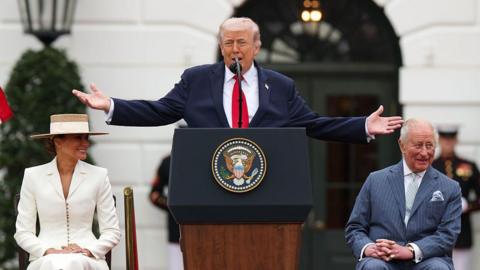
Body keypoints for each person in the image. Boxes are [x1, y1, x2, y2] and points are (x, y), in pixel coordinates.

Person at [72, 17, 403, 143]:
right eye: (228, 43)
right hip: (209, 188)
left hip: (267, 188)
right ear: (220, 47)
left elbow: (314, 124)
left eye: (241, 43)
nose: (234, 49)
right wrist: (111, 105)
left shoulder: (281, 86)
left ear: (256, 47)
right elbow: (160, 111)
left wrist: (362, 125)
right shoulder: (197, 79)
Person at [345, 118, 462, 270]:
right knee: (373, 267)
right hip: (381, 259)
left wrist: (410, 250)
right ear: (402, 145)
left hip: (427, 259)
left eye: (429, 145)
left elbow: (447, 235)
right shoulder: (375, 180)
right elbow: (355, 227)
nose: (424, 152)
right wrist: (368, 247)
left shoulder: (450, 188)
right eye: (418, 145)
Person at [14, 114, 121, 270]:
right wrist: (46, 251)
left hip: (88, 259)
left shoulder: (99, 175)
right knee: (53, 263)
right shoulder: (33, 176)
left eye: (86, 138)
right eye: (78, 137)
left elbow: (112, 231)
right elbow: (23, 232)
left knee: (74, 262)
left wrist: (90, 250)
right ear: (58, 141)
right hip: (45, 260)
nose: (85, 143)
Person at [432, 125, 480, 270]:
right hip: (434, 233)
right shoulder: (430, 166)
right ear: (439, 140)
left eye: (451, 139)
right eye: (445, 139)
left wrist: (467, 205)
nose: (448, 142)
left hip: (462, 233)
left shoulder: (469, 166)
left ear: (456, 140)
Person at [149, 154, 183, 270]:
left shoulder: (204, 159)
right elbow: (154, 195)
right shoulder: (168, 162)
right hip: (176, 230)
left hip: (204, 228)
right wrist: (173, 206)